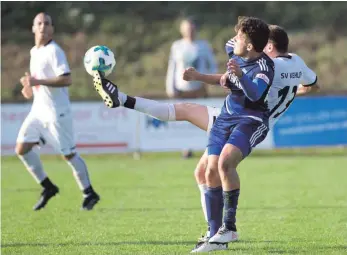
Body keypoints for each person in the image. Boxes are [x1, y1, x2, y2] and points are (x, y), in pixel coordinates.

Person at [92, 22, 319, 252]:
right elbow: (312, 85)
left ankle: (221, 230)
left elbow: (244, 80)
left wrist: (209, 75)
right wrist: (289, 96)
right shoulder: (296, 62)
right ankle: (215, 233)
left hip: (251, 119)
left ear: (267, 46)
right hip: (235, 114)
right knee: (202, 169)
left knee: (191, 120)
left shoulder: (268, 65)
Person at [16, 13, 100, 211]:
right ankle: (48, 187)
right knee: (21, 148)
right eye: (39, 23)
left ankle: (89, 193)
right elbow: (37, 83)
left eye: (47, 23)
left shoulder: (55, 51)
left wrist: (37, 82)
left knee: (68, 155)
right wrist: (29, 87)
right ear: (33, 28)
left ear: (52, 29)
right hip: (38, 111)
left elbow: (66, 79)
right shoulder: (34, 51)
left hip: (57, 112)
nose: (43, 26)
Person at [166, 17, 217, 99]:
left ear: (195, 29)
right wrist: (170, 89)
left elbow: (212, 66)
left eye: (191, 29)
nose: (190, 31)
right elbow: (172, 68)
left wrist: (208, 82)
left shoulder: (204, 45)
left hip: (199, 91)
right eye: (187, 29)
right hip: (180, 91)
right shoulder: (176, 46)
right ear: (181, 30)